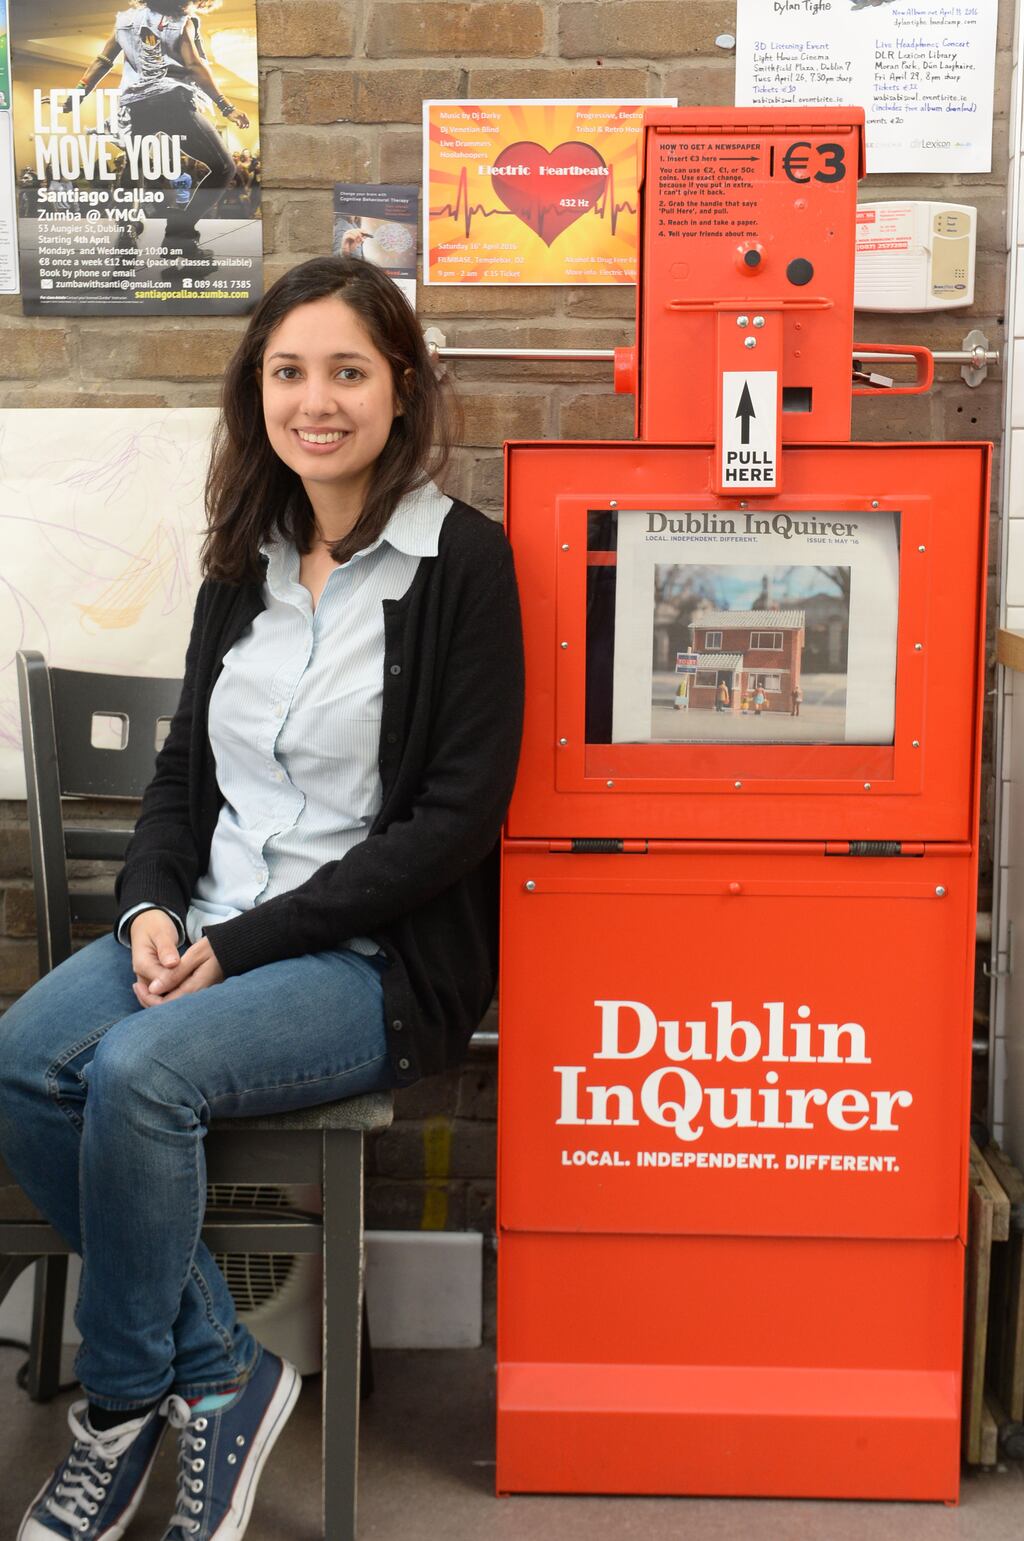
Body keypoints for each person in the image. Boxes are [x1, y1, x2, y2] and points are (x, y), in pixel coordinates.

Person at [0, 255, 525, 1541]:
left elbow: (450, 826)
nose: (317, 400)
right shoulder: (244, 553)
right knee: (21, 1057)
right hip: (215, 927)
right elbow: (184, 775)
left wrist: (238, 945)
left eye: (348, 370)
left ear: (401, 386)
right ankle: (223, 1373)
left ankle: (121, 1404)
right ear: (259, 391)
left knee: (139, 1075)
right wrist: (154, 909)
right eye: (289, 371)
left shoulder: (466, 565)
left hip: (363, 960)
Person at [62, 1, 251, 267]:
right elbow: (195, 65)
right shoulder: (181, 21)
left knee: (134, 165)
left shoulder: (125, 21)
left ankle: (127, 232)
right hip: (172, 102)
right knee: (224, 167)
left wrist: (79, 93)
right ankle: (179, 234)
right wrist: (225, 106)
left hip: (136, 104)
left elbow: (102, 61)